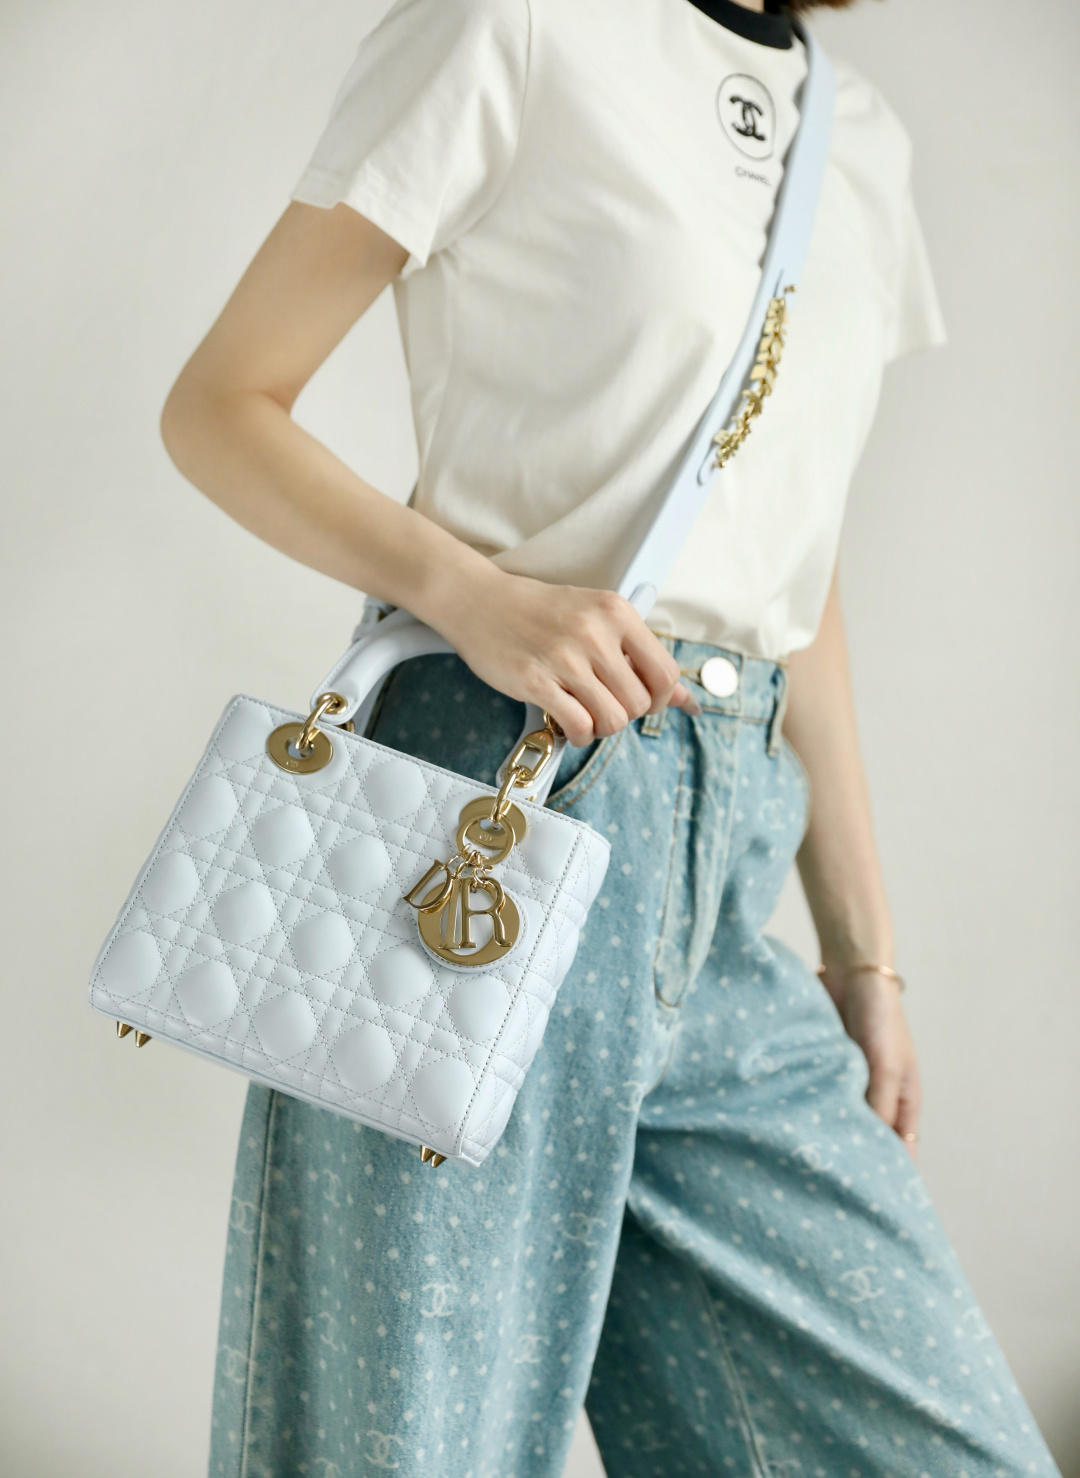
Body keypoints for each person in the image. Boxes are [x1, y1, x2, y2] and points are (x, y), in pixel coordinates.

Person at [161, 0, 1061, 1474]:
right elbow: (217, 406)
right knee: (408, 1445)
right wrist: (476, 595)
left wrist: (864, 953)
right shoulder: (517, 28)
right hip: (483, 824)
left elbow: (791, 572)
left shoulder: (863, 139)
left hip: (726, 880)